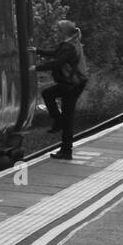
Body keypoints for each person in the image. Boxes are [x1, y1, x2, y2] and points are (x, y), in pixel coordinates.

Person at [33, 20, 89, 160]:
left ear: (63, 32)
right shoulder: (69, 44)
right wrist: (38, 51)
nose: (56, 33)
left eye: (58, 30)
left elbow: (57, 62)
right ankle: (64, 146)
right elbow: (55, 53)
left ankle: (65, 148)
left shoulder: (69, 47)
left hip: (72, 84)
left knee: (63, 112)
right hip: (72, 83)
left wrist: (35, 68)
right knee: (64, 113)